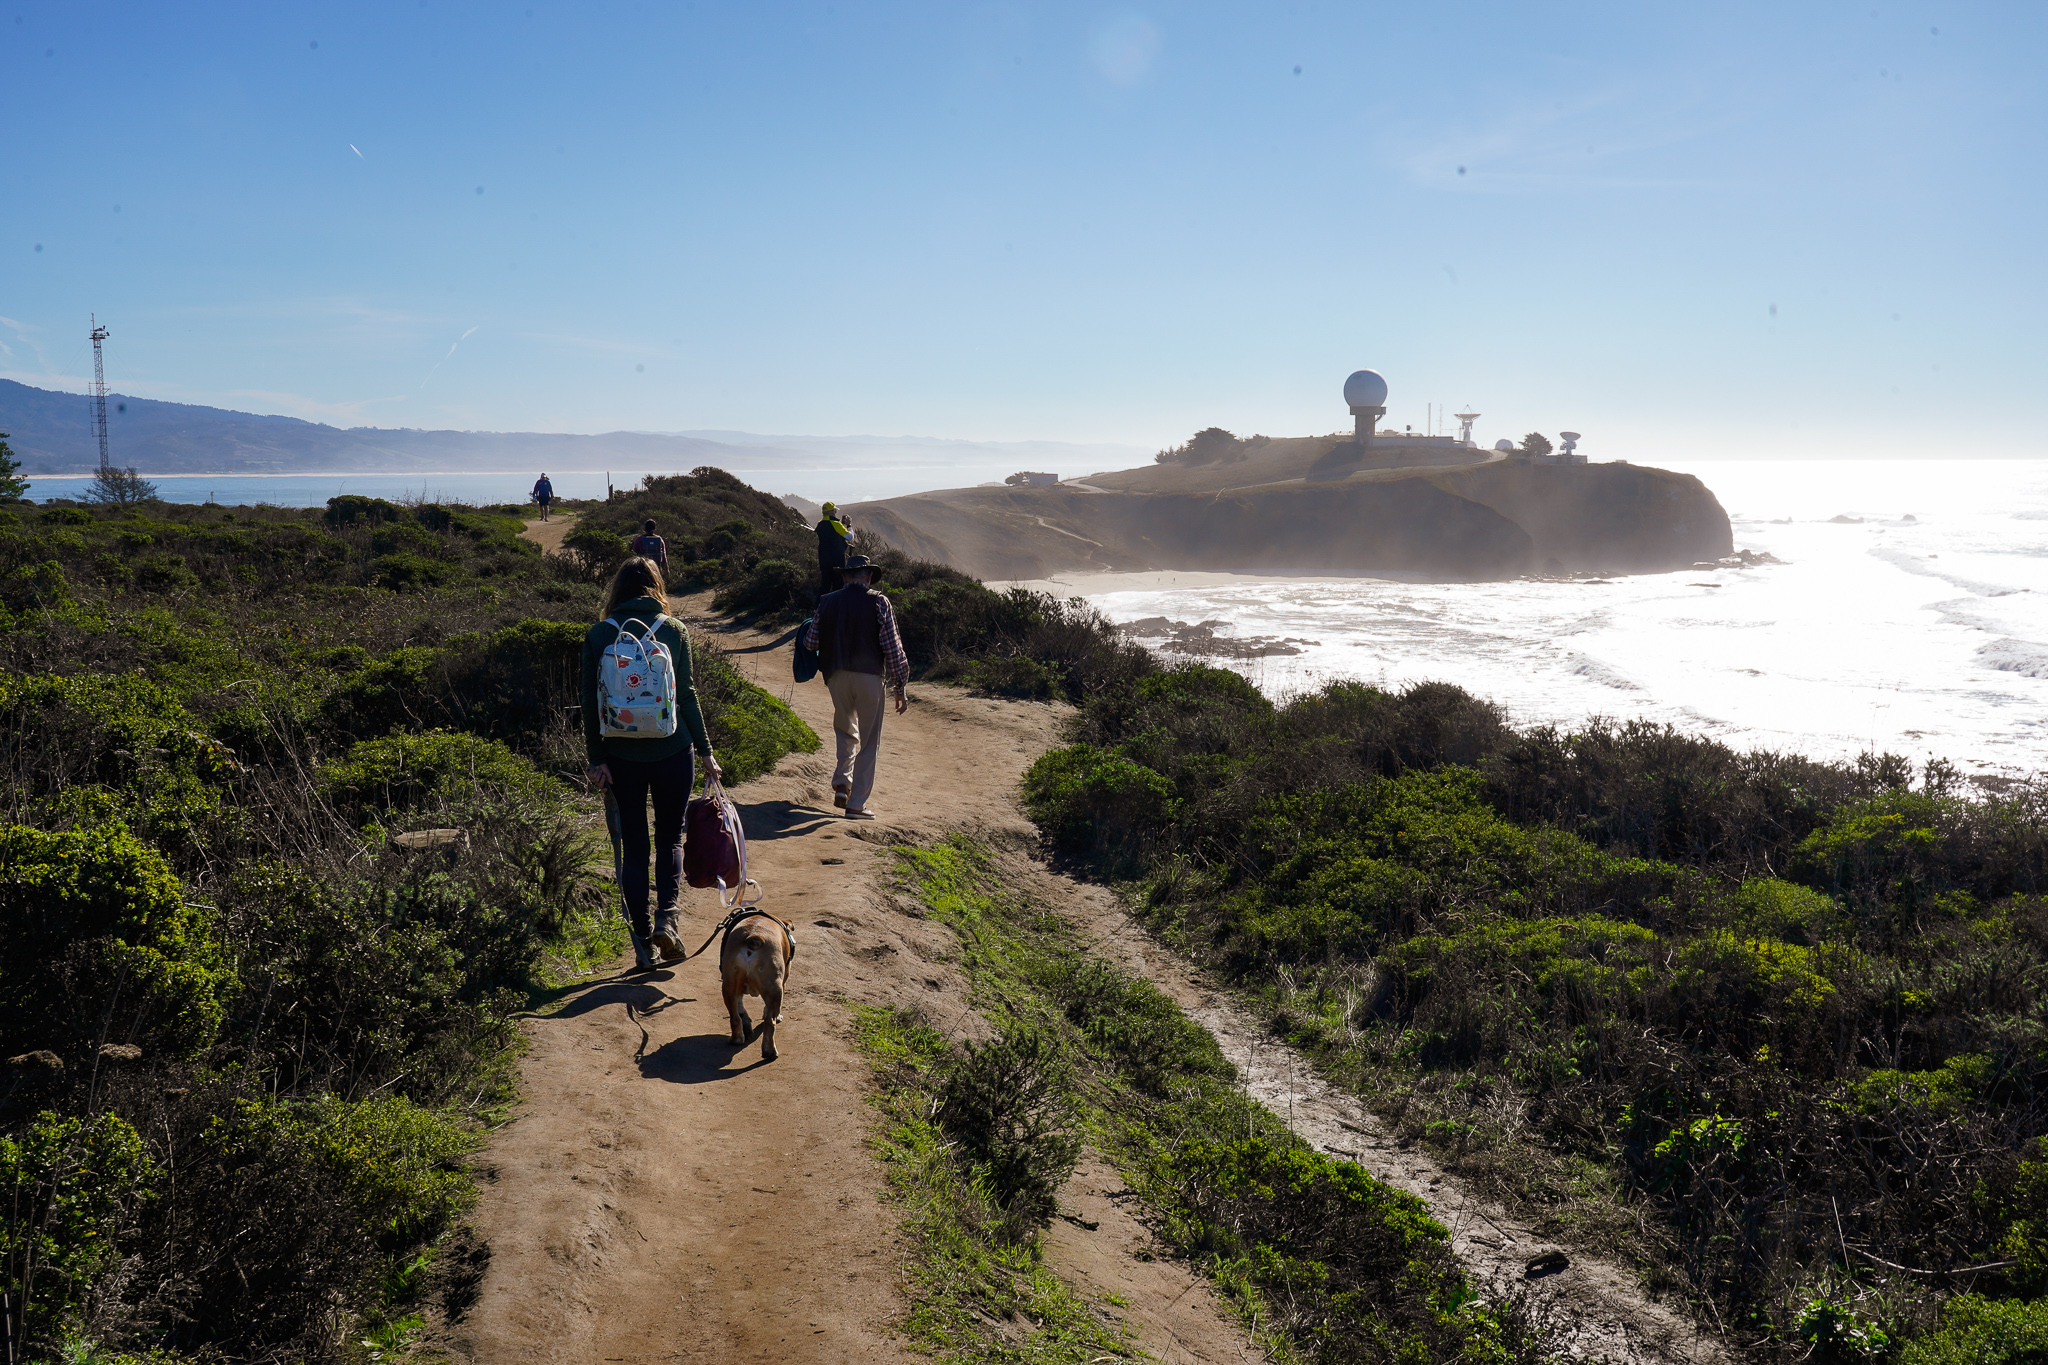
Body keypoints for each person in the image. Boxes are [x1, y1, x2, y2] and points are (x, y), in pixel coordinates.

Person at [582, 557, 721, 969]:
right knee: (669, 838)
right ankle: (668, 920)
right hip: (673, 750)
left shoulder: (599, 635)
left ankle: (641, 937)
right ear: (656, 585)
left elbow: (591, 702)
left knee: (634, 846)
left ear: (617, 589)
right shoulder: (673, 631)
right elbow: (688, 696)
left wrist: (597, 759)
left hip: (621, 754)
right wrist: (707, 751)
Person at [800, 555, 907, 819]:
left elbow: (811, 642)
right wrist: (900, 685)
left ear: (845, 577)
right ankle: (856, 804)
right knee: (869, 741)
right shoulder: (879, 601)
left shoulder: (827, 601)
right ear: (868, 577)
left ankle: (842, 782)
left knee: (845, 729)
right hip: (869, 676)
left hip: (836, 675)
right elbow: (892, 648)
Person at [814, 502, 853, 592]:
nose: (835, 512)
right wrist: (849, 526)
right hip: (837, 558)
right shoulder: (835, 523)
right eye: (835, 510)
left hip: (823, 558)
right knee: (838, 585)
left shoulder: (820, 524)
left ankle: (820, 605)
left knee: (825, 585)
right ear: (831, 512)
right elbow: (850, 537)